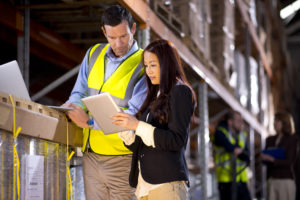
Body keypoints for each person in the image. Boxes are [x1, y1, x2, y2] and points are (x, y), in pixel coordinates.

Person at [63, 4, 147, 200]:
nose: (118, 44)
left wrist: (88, 123)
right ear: (104, 32)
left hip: (122, 158)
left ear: (133, 29)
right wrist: (72, 105)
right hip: (91, 155)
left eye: (123, 36)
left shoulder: (144, 63)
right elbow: (80, 91)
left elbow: (133, 116)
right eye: (112, 37)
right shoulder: (93, 54)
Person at [111, 39, 196, 200]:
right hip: (145, 187)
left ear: (167, 64)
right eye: (146, 66)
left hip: (166, 186)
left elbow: (176, 140)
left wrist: (137, 125)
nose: (148, 71)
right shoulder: (154, 95)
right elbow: (144, 146)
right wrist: (127, 132)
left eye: (153, 65)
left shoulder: (181, 91)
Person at [212, 110, 251, 200]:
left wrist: (238, 151)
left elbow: (247, 156)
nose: (241, 123)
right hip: (226, 179)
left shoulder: (242, 135)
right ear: (230, 122)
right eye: (238, 121)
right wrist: (236, 150)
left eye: (242, 121)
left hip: (241, 178)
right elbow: (229, 147)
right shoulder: (220, 133)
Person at [261, 111, 298, 200]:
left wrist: (272, 159)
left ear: (284, 123)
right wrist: (265, 158)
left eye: (277, 121)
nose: (274, 123)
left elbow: (290, 161)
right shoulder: (269, 140)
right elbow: (264, 157)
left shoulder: (292, 139)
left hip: (285, 180)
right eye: (274, 121)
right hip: (272, 179)